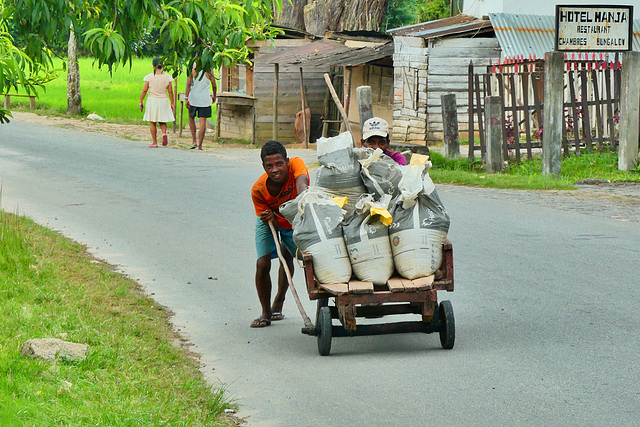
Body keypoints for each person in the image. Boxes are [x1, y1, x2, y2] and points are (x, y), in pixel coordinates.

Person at [250, 141, 309, 328]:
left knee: (294, 257)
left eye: (279, 164)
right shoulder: (258, 190)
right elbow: (266, 216)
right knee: (262, 263)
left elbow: (302, 185)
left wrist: (302, 198)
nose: (275, 170)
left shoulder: (296, 165)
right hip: (270, 222)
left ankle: (279, 301)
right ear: (264, 167)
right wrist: (269, 217)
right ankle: (266, 311)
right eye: (269, 166)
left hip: (296, 219)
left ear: (287, 161)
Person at [139, 57, 175, 148]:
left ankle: (155, 142)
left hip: (152, 100)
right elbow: (170, 91)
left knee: (153, 121)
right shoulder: (168, 77)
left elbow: (144, 90)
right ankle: (163, 133)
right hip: (164, 100)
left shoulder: (149, 77)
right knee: (162, 120)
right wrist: (172, 102)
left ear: (153, 66)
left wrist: (141, 101)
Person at [185, 62, 217, 150]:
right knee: (203, 121)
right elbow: (214, 84)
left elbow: (188, 84)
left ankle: (194, 141)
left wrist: (186, 97)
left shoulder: (191, 68)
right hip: (204, 99)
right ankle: (200, 145)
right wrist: (214, 95)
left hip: (193, 98)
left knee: (191, 117)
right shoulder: (209, 69)